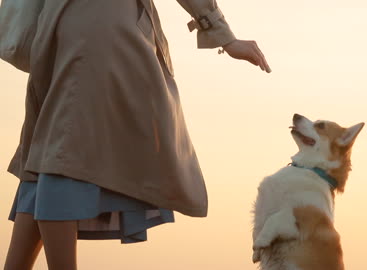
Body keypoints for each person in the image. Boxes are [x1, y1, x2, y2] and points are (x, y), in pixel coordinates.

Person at [3, 0, 270, 269]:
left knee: (48, 154)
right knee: (62, 159)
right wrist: (224, 35)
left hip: (58, 28)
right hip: (101, 29)